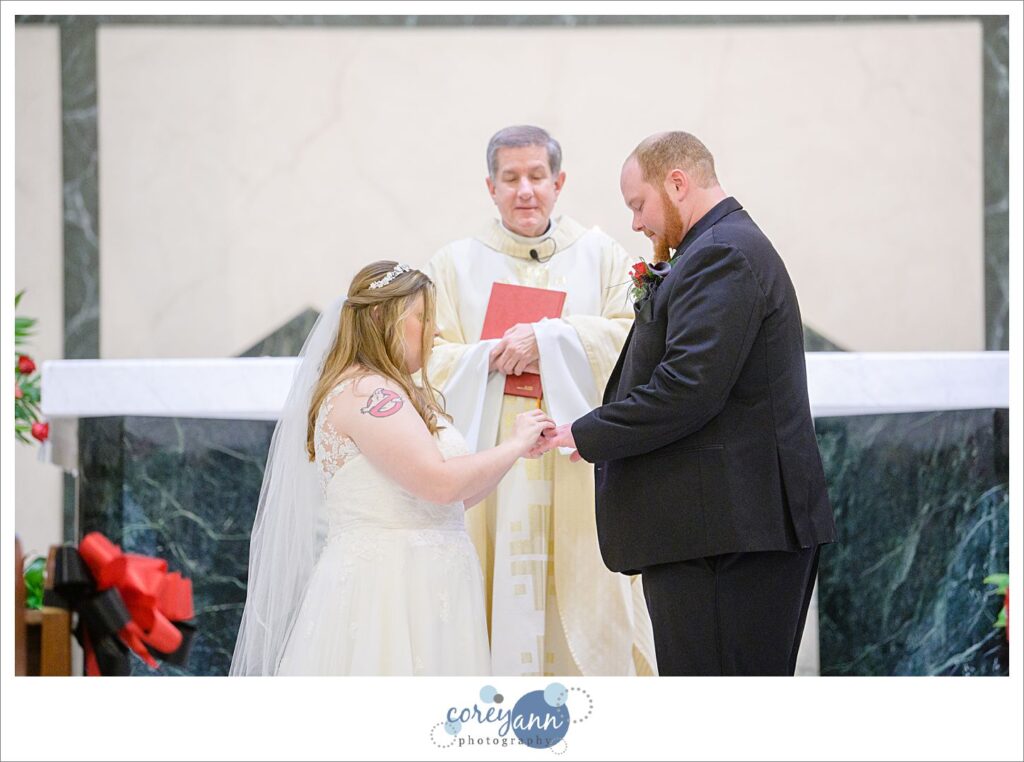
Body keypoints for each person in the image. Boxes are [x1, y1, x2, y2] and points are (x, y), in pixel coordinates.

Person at [541, 131, 837, 676]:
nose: (636, 223)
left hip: (731, 536)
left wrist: (587, 433)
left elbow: (688, 386)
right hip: (723, 529)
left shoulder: (721, 253)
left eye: (639, 204)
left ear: (677, 183)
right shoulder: (716, 247)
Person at [230, 261, 554, 675]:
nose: (436, 332)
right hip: (390, 589)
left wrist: (511, 455)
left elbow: (455, 499)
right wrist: (512, 443)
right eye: (425, 317)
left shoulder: (390, 389)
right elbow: (438, 483)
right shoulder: (368, 391)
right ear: (384, 318)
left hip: (426, 578)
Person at [425, 125, 656, 676]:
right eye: (511, 179)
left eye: (536, 177)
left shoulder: (601, 255)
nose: (524, 190)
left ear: (559, 181)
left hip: (573, 455)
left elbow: (637, 336)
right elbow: (427, 357)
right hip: (493, 466)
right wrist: (492, 355)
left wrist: (550, 339)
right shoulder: (454, 264)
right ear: (490, 186)